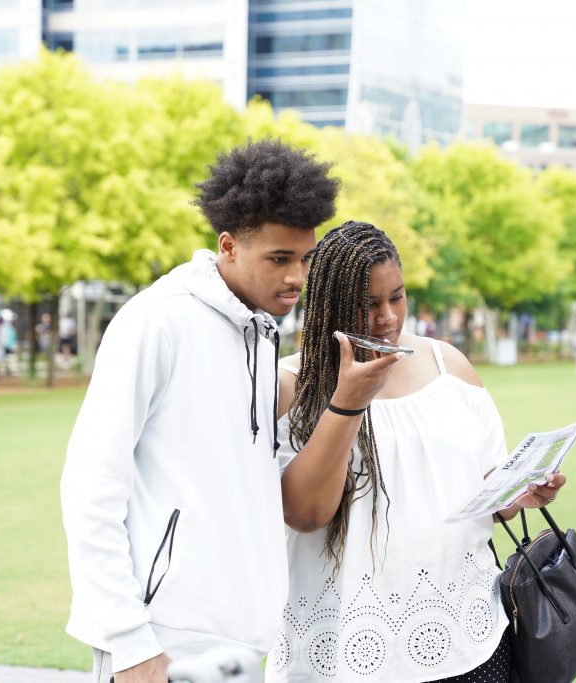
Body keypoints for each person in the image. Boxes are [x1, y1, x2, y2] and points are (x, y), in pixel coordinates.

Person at [60, 139, 340, 683]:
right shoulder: (157, 322)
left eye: (305, 258)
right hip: (162, 639)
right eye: (278, 259)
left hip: (241, 641)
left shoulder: (261, 330)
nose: (296, 278)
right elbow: (90, 485)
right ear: (228, 246)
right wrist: (129, 642)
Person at [267, 221, 567, 683]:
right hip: (347, 651)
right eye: (368, 304)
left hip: (470, 638)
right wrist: (348, 402)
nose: (387, 317)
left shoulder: (450, 367)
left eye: (397, 297)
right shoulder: (291, 385)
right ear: (329, 304)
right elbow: (305, 514)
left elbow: (486, 494)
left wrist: (519, 494)